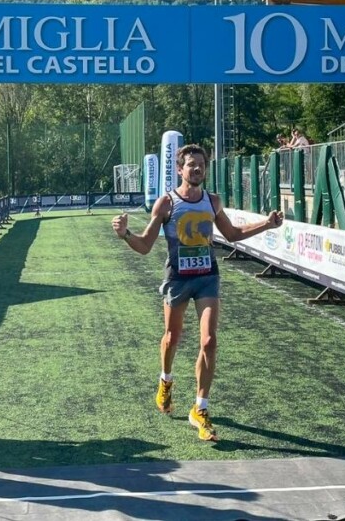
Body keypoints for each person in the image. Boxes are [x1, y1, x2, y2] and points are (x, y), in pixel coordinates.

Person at [111, 144, 283, 442]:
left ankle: (200, 409)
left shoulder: (212, 202)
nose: (197, 169)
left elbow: (233, 235)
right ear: (180, 169)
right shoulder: (166, 204)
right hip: (178, 279)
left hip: (207, 278)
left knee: (209, 341)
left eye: (201, 164)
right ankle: (166, 380)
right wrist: (125, 234)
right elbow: (145, 246)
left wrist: (267, 224)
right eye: (191, 164)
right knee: (171, 338)